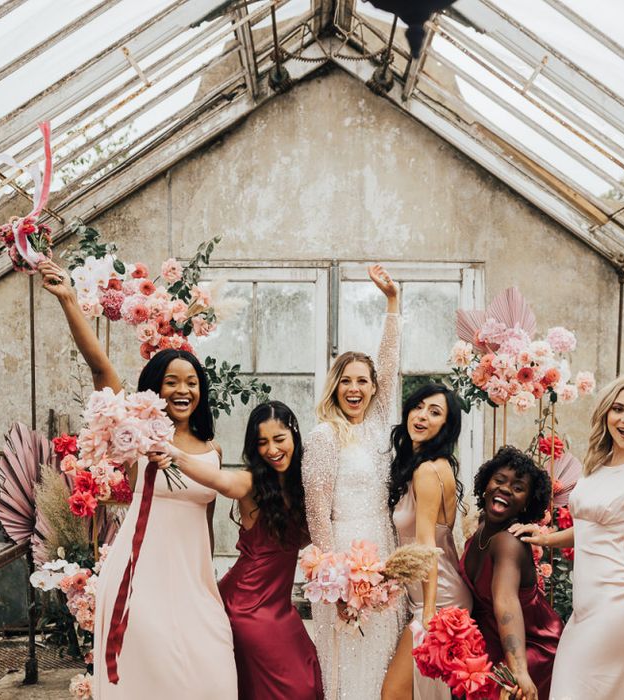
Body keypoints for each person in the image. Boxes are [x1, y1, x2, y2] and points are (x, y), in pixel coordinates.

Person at [38, 260, 237, 699]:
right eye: (171, 382)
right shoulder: (140, 435)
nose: (183, 390)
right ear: (155, 387)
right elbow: (100, 370)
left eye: (192, 383)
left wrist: (212, 580)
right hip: (141, 578)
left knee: (215, 674)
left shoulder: (214, 451)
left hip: (195, 583)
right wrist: (70, 301)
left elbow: (206, 522)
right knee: (151, 681)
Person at [510, 374, 624, 700]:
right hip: (585, 608)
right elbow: (591, 530)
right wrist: (545, 538)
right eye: (618, 409)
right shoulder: (596, 467)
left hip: (621, 609)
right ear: (606, 414)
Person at [156, 401, 323, 700]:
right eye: (262, 443)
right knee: (294, 689)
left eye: (279, 439)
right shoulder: (251, 482)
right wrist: (176, 455)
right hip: (247, 607)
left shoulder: (303, 485)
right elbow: (223, 481)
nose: (272, 449)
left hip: (279, 607)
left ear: (295, 436)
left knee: (310, 679)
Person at [302, 264, 403, 699]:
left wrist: (392, 304)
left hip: (384, 549)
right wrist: (336, 578)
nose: (355, 387)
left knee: (384, 653)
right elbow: (317, 511)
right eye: (346, 380)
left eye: (363, 380)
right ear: (335, 387)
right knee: (349, 654)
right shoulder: (325, 435)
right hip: (344, 554)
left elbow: (390, 363)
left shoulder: (380, 424)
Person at [382, 383, 473, 700]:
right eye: (418, 407)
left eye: (435, 412)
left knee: (395, 692)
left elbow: (426, 548)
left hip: (438, 598)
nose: (422, 416)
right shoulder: (430, 465)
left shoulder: (427, 471)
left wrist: (429, 615)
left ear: (446, 426)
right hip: (432, 593)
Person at [458, 446, 563, 700]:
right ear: (486, 484)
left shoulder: (509, 542)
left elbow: (506, 602)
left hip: (529, 646)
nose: (505, 488)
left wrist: (519, 670)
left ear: (527, 502)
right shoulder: (482, 529)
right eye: (499, 480)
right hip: (492, 642)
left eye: (518, 488)